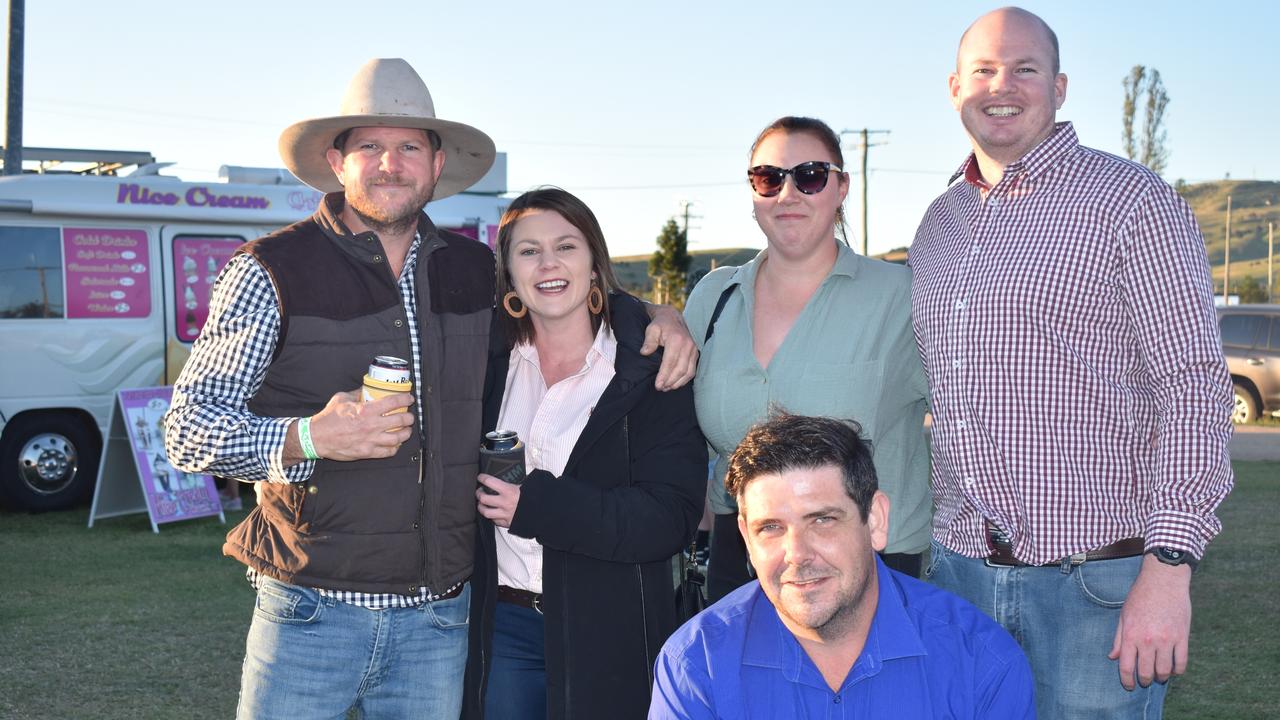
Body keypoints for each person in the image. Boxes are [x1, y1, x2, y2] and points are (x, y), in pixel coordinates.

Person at [164, 60, 696, 719]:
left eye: (410, 146)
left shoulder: (475, 274)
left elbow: (564, 291)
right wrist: (308, 436)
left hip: (442, 623)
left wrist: (664, 320)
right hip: (309, 610)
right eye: (371, 147)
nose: (392, 163)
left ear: (436, 164)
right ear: (337, 161)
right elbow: (187, 431)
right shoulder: (269, 270)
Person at [909, 8, 1235, 719]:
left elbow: (1193, 386)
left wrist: (1169, 567)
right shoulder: (939, 224)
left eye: (1024, 69)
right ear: (954, 87)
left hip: (1098, 587)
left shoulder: (1131, 202)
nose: (1004, 85)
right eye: (985, 70)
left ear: (1057, 86)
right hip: (961, 578)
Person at [461, 188, 706, 720]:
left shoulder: (650, 366)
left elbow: (671, 518)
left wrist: (538, 508)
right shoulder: (485, 361)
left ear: (595, 264)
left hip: (611, 631)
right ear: (507, 271)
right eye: (528, 250)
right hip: (501, 629)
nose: (548, 263)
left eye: (566, 246)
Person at [684, 116, 931, 602]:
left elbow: (969, 419)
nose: (788, 193)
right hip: (744, 563)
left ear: (841, 187)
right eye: (769, 177)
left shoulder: (902, 296)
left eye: (811, 175)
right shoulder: (714, 297)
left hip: (869, 569)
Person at [649, 413, 1034, 719]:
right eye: (770, 528)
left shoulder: (980, 661)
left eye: (822, 520)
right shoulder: (697, 666)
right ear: (746, 539)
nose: (796, 553)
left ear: (876, 521)